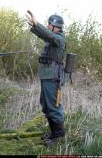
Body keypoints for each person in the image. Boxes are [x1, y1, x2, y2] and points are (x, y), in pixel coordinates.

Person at [26, 10, 66, 146]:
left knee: (54, 107)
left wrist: (37, 24)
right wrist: (34, 27)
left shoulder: (59, 39)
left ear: (57, 27)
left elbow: (49, 35)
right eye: (48, 25)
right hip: (47, 77)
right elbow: (46, 36)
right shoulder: (52, 39)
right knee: (46, 106)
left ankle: (58, 137)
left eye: (50, 25)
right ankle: (53, 134)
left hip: (53, 78)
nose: (48, 27)